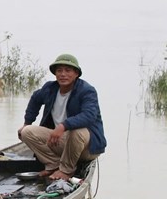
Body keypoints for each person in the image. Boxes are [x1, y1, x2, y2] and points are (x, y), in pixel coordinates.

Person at [18, 53, 106, 181]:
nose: (63, 74)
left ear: (76, 74)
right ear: (55, 74)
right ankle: (53, 164)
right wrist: (27, 122)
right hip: (62, 140)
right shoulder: (50, 88)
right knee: (26, 132)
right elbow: (35, 99)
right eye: (59, 70)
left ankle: (66, 170)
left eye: (68, 70)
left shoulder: (87, 91)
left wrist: (63, 125)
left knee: (76, 131)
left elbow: (89, 115)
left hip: (87, 147)